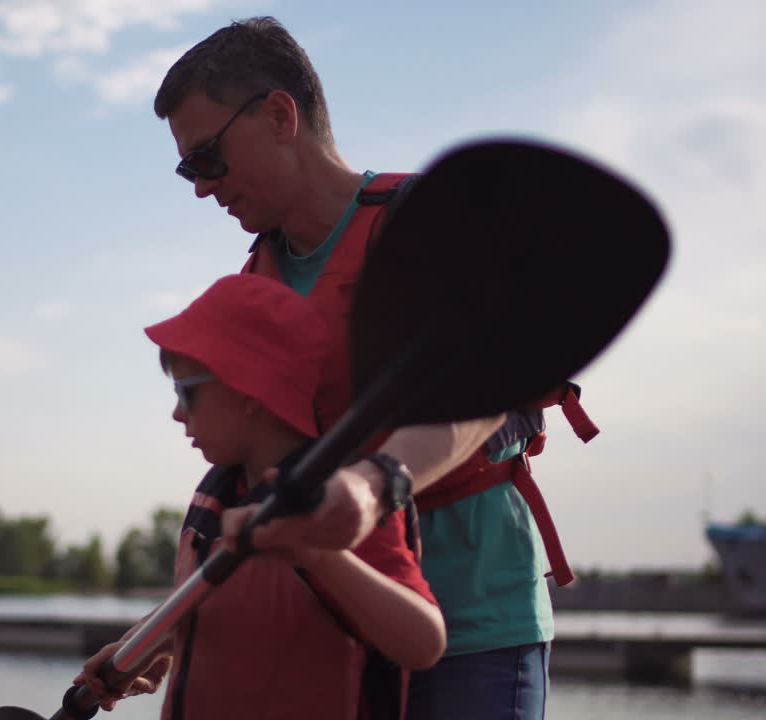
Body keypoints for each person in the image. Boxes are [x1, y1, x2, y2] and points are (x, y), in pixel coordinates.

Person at [150, 16, 570, 720]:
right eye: (188, 169)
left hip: (474, 629)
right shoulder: (257, 281)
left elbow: (484, 398)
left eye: (206, 159)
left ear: (280, 114)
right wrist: (176, 627)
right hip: (339, 642)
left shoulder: (427, 225)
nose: (200, 188)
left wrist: (374, 487)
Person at [73, 273, 445, 720]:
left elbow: (424, 643)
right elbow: (226, 600)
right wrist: (138, 648)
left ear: (247, 388)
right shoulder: (218, 496)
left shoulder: (339, 502)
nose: (176, 413)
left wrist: (320, 555)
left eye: (186, 393)